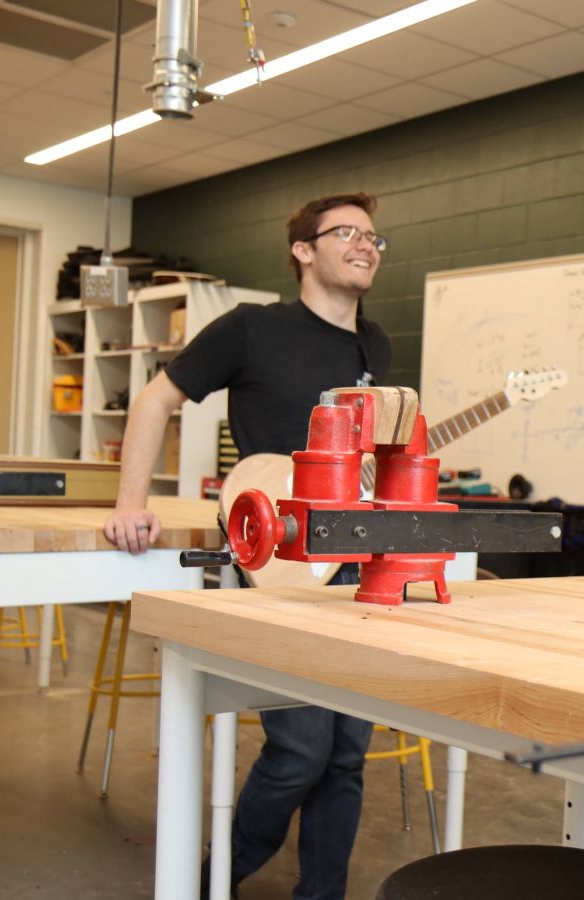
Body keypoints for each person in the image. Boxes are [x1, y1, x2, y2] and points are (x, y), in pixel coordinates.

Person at [104, 192, 392, 899]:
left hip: (356, 558)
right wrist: (129, 504)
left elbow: (369, 459)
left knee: (347, 757)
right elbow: (155, 400)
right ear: (303, 249)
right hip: (278, 569)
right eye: (347, 232)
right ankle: (212, 882)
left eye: (375, 237)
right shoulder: (251, 330)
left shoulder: (374, 343)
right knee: (299, 754)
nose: (366, 245)